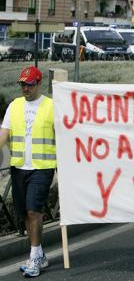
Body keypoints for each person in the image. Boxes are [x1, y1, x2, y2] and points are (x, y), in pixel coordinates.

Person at [0, 66, 57, 277]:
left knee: (34, 211)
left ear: (39, 84)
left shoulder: (51, 106)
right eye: (23, 84)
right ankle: (40, 254)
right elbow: (4, 134)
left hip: (42, 168)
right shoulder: (14, 106)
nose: (25, 88)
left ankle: (33, 258)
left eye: (30, 84)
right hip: (19, 167)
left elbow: (63, 134)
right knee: (25, 212)